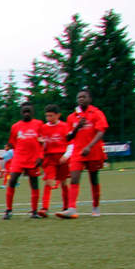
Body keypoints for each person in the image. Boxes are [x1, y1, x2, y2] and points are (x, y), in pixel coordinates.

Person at [57, 89, 109, 218]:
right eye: (79, 97)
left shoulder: (97, 113)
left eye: (83, 97)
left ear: (89, 99)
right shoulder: (72, 117)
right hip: (77, 152)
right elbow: (68, 137)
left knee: (94, 178)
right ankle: (72, 208)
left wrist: (89, 146)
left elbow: (101, 131)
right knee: (74, 178)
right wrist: (77, 127)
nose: (81, 99)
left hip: (93, 151)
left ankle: (96, 206)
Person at [2, 103, 45, 219]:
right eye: (24, 111)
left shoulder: (39, 124)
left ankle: (34, 211)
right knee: (12, 180)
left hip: (33, 159)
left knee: (34, 183)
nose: (26, 113)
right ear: (21, 113)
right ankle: (8, 210)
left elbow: (42, 142)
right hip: (19, 158)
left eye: (28, 111)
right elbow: (12, 142)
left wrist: (40, 156)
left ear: (32, 112)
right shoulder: (15, 126)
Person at [39, 104, 71, 216]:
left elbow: (70, 143)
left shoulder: (65, 126)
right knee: (49, 181)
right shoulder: (43, 128)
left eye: (51, 116)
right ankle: (44, 208)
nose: (48, 119)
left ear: (58, 115)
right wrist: (42, 144)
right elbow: (42, 144)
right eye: (47, 116)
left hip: (62, 157)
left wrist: (66, 155)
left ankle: (66, 207)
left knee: (63, 182)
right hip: (50, 158)